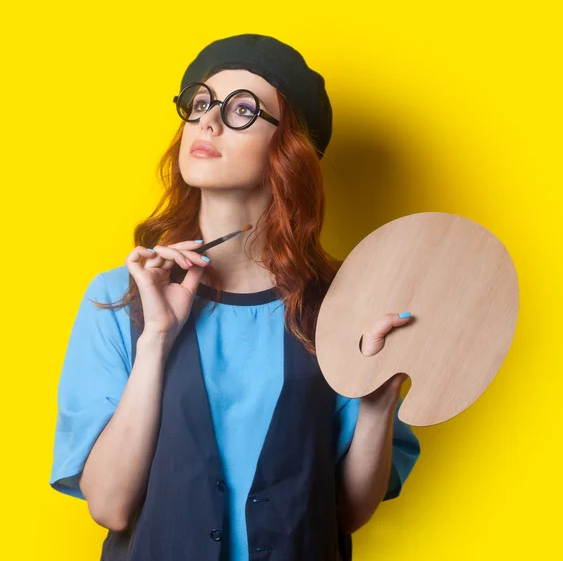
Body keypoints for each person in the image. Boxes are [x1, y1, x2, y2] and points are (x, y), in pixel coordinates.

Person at [49, 33, 421, 561]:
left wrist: (379, 400)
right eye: (200, 103)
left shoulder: (342, 304)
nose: (208, 121)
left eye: (242, 109)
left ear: (288, 150)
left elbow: (346, 512)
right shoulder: (118, 297)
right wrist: (156, 339)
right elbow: (108, 506)